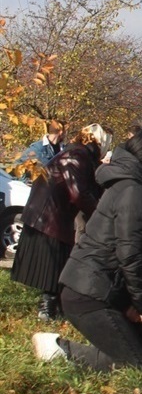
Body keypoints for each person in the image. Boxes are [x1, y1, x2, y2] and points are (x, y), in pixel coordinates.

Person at [31, 126, 142, 371]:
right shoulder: (134, 192)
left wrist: (135, 304)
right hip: (88, 294)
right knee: (136, 367)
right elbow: (131, 255)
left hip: (108, 291)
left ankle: (120, 351)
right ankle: (59, 348)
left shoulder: (140, 187)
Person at [12, 124, 113, 321]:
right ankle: (47, 308)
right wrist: (101, 214)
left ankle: (55, 306)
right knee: (53, 264)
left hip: (50, 212)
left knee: (58, 262)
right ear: (99, 141)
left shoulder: (79, 154)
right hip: (49, 213)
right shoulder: (76, 156)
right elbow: (79, 193)